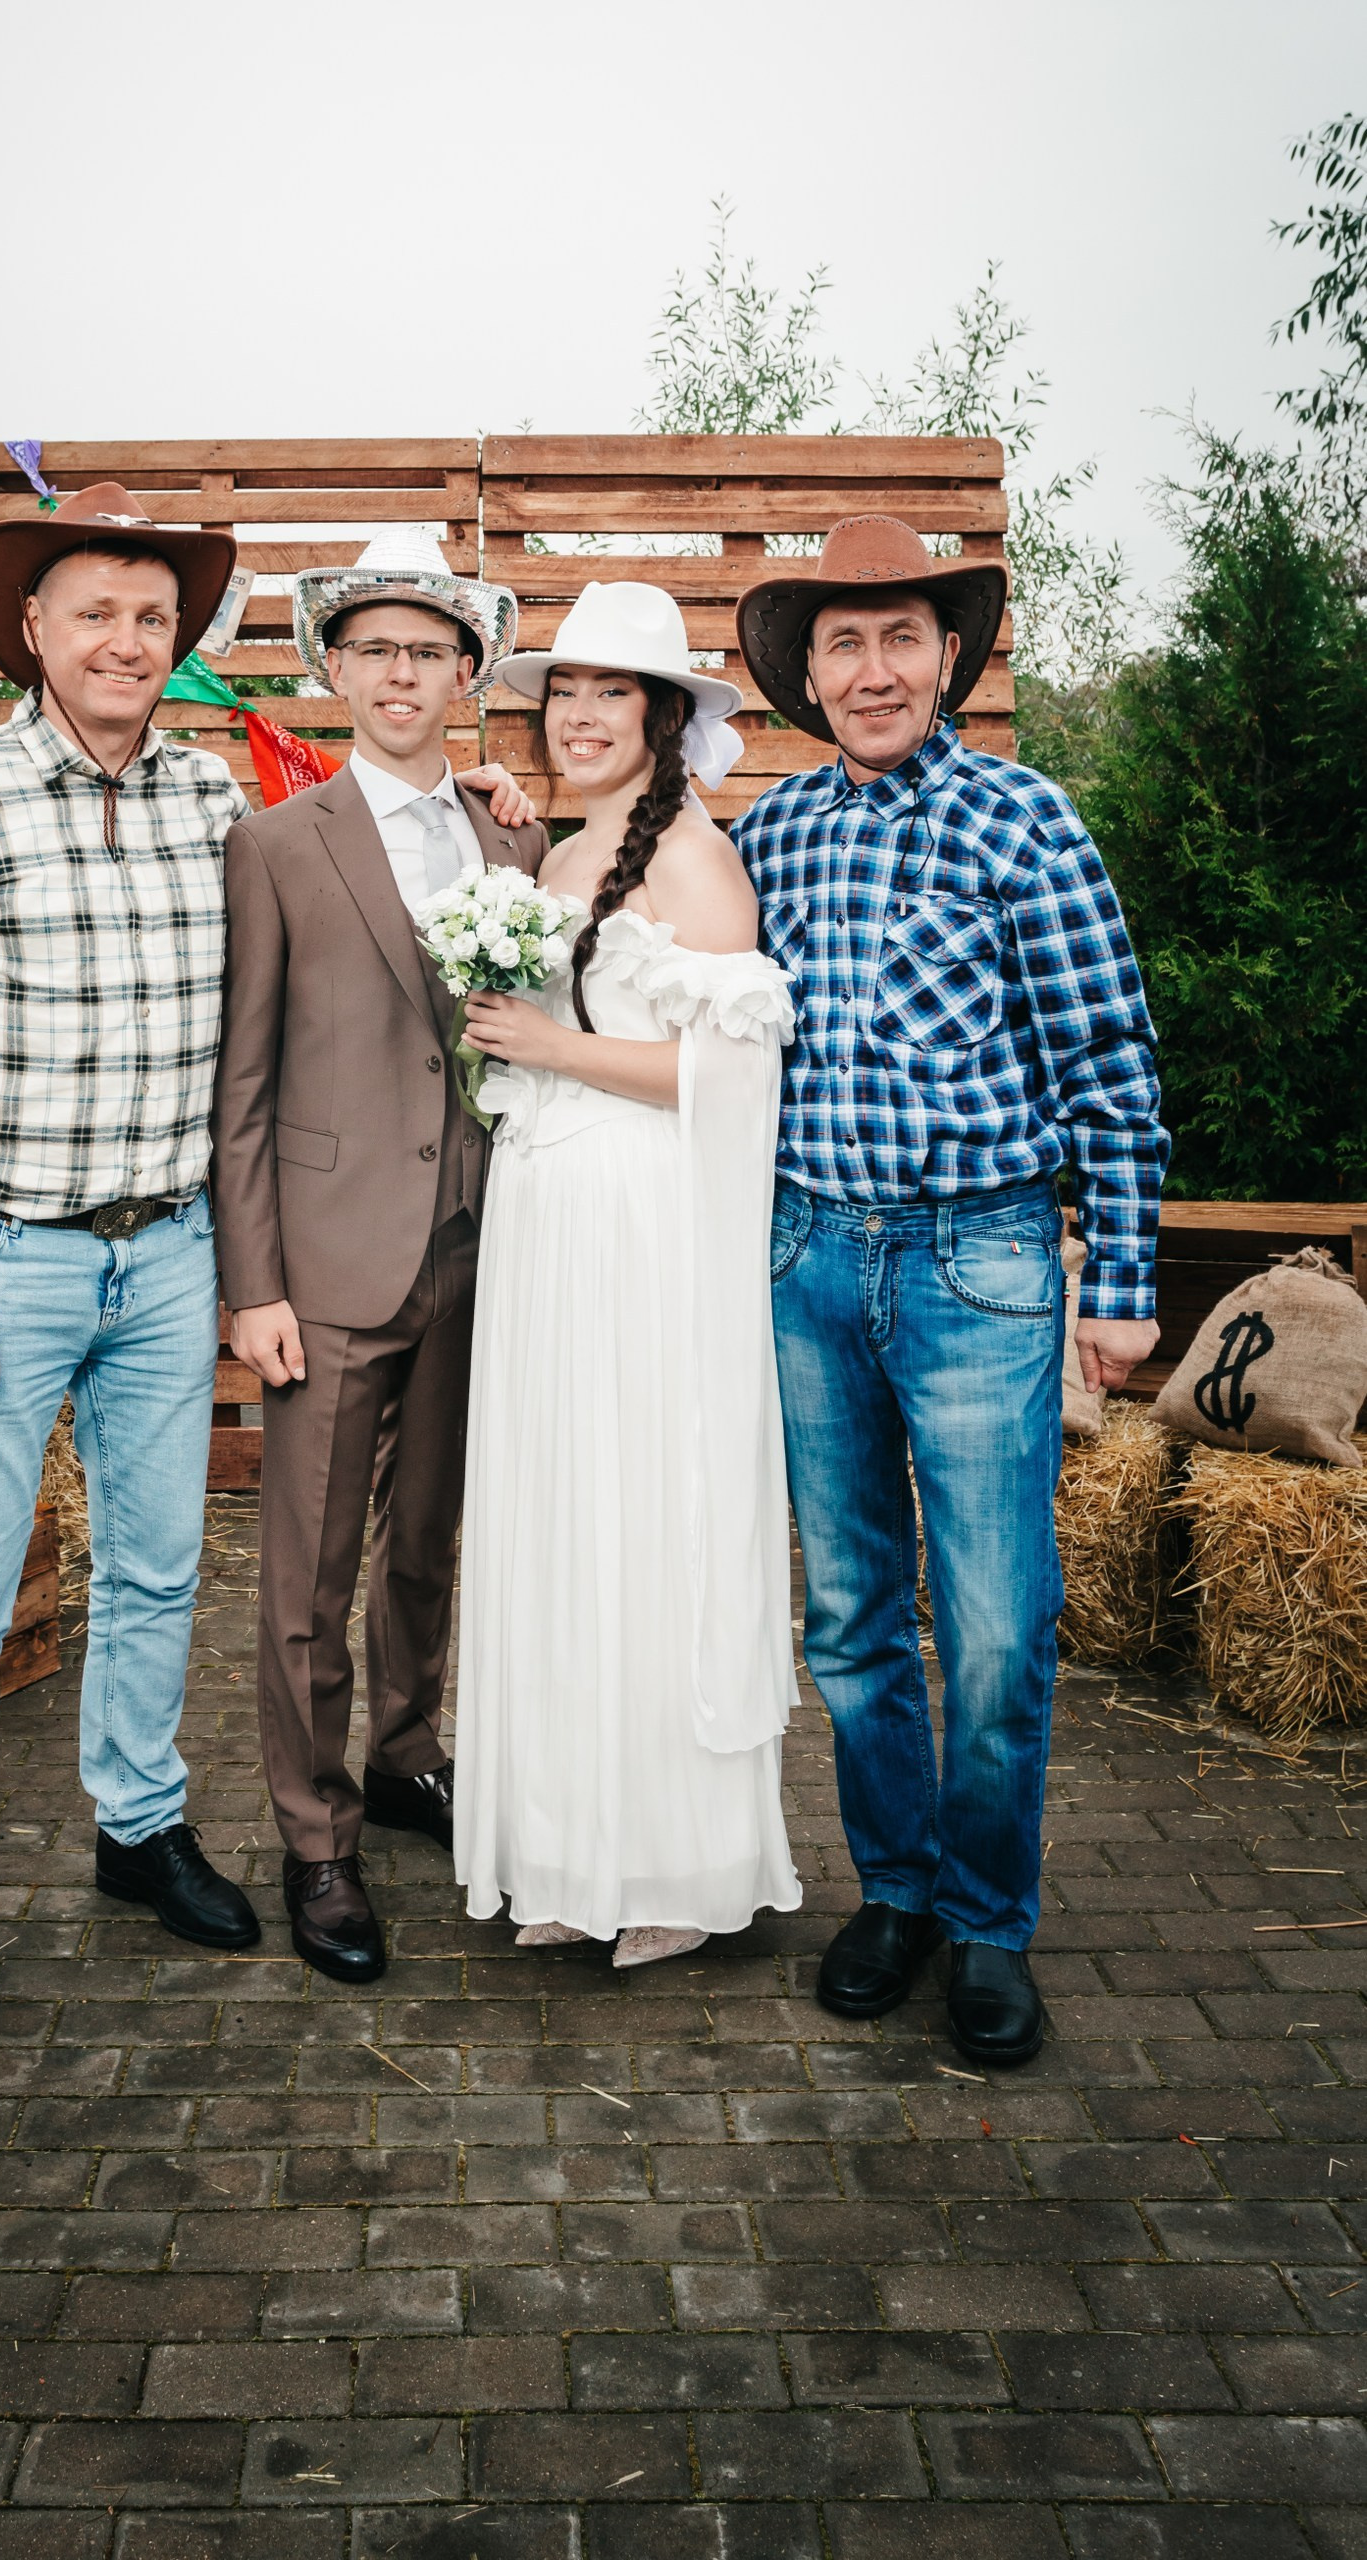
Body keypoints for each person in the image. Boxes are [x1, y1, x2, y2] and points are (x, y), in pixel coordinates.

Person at [0, 482, 267, 2074]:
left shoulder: (211, 796)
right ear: (32, 628)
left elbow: (338, 900)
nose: (127, 641)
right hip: (2, 1259)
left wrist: (481, 806)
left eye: (153, 617)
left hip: (165, 1256)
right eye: (96, 613)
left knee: (157, 1574)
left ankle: (137, 1829)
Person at [732, 514, 1166, 2066]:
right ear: (807, 676)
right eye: (842, 644)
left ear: (946, 660)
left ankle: (988, 1921)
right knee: (850, 1614)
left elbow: (1108, 1058)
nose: (872, 671)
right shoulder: (767, 836)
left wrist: (1119, 1281)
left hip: (977, 1260)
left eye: (899, 639)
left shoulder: (1022, 821)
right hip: (803, 1259)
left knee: (993, 1623)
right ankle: (897, 1890)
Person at [212, 529, 547, 1984]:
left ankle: (408, 1756)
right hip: (330, 1264)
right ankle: (315, 1836)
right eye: (375, 652)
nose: (402, 674)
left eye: (428, 651)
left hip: (480, 1249)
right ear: (334, 672)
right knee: (308, 1569)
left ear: (465, 674)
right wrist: (254, 1285)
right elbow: (241, 1084)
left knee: (426, 1541)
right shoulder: (277, 844)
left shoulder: (511, 840)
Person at [454, 581, 801, 1966]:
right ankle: (567, 1848)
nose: (581, 716)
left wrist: (550, 1049)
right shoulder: (554, 859)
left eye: (612, 693)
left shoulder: (695, 862)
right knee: (559, 1520)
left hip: (641, 1229)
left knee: (639, 1517)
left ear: (662, 717)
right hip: (548, 1221)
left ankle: (669, 1863)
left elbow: (732, 1071)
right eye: (566, 694)